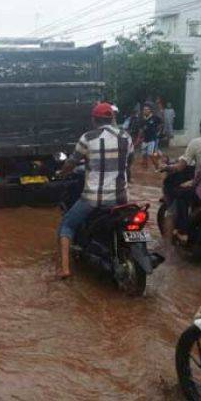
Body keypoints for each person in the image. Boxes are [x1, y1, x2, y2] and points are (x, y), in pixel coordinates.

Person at [56, 103, 133, 279]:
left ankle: (65, 269)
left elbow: (72, 162)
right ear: (112, 118)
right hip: (122, 198)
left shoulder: (88, 138)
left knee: (66, 225)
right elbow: (129, 162)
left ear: (94, 120)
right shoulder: (126, 137)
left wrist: (61, 173)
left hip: (93, 199)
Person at [160, 111, 201, 241]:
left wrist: (166, 167)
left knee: (180, 194)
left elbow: (180, 166)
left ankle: (183, 230)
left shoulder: (197, 143)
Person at [141, 102, 163, 169]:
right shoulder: (142, 119)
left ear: (150, 110)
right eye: (144, 109)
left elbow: (161, 124)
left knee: (151, 154)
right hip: (145, 139)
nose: (145, 111)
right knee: (144, 154)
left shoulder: (155, 118)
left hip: (152, 139)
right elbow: (141, 129)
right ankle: (145, 166)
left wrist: (159, 132)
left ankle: (157, 166)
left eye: (146, 109)